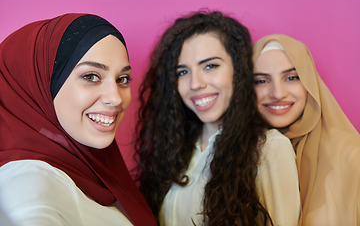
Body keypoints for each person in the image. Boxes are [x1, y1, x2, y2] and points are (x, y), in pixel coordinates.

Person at [135, 11, 300, 226]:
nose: (195, 83)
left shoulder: (269, 148)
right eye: (182, 72)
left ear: (238, 70)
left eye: (210, 66)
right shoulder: (175, 149)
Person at [0, 13, 157, 226]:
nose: (115, 98)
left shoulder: (86, 168)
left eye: (122, 79)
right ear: (39, 86)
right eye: (91, 76)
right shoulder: (29, 182)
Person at [253, 34, 360, 226]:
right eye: (261, 81)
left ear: (310, 82)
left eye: (292, 78)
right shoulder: (242, 154)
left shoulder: (352, 154)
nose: (277, 93)